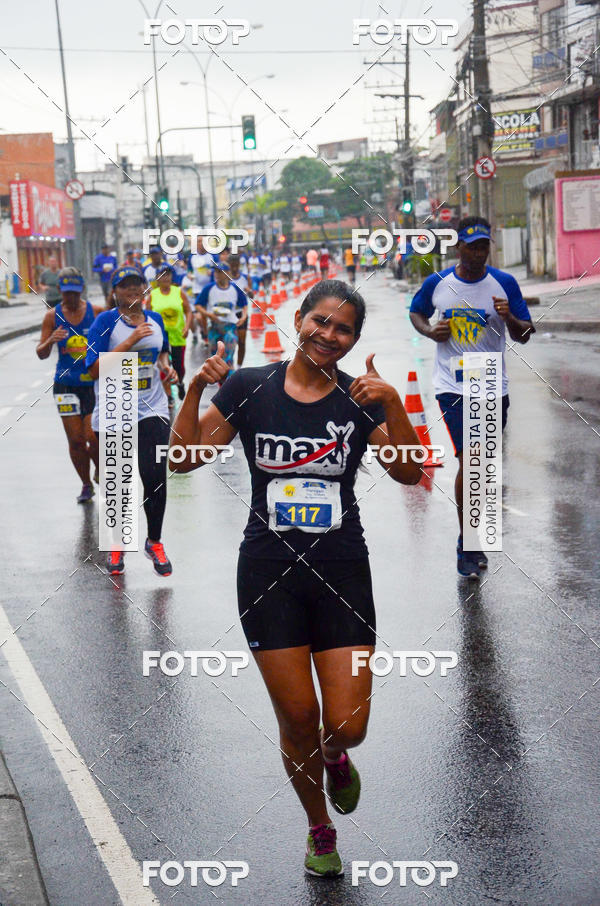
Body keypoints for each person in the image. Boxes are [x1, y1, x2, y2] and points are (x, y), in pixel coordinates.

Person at [170, 279, 421, 878]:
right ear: (299, 319)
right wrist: (195, 388)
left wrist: (394, 403)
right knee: (298, 719)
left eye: (343, 330)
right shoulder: (248, 387)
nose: (328, 335)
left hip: (342, 572)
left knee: (348, 726)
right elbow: (182, 459)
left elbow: (411, 474)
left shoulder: (360, 398)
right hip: (268, 574)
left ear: (354, 340)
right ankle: (319, 828)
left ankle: (335, 756)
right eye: (320, 321)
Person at [409, 216, 535, 579]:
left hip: (491, 384)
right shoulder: (437, 283)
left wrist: (509, 318)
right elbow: (416, 312)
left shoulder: (504, 283)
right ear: (459, 247)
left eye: (483, 247)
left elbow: (525, 333)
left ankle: (474, 539)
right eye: (472, 246)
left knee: (483, 465)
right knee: (473, 459)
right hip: (452, 385)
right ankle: (467, 543)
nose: (478, 253)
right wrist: (430, 331)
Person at [86, 266, 178, 577]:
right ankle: (117, 545)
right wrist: (130, 341)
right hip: (115, 407)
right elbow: (94, 369)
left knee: (155, 476)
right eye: (125, 286)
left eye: (137, 285)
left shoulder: (156, 320)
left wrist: (167, 369)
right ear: (114, 292)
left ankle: (155, 541)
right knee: (117, 482)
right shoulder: (104, 322)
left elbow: (161, 355)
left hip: (152, 406)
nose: (132, 290)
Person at [36, 268, 104, 502]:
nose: (71, 298)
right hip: (65, 385)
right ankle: (86, 484)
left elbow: (112, 345)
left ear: (82, 289)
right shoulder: (52, 317)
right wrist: (50, 340)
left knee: (93, 437)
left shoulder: (96, 313)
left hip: (92, 384)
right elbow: (41, 353)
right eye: (67, 293)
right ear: (59, 291)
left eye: (75, 293)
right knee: (76, 441)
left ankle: (100, 468)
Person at [148, 264, 192, 401]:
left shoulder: (179, 292)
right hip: (160, 337)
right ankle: (168, 395)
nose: (165, 278)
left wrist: (187, 327)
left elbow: (188, 311)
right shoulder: (152, 295)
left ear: (172, 277)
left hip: (178, 335)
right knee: (164, 366)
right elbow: (146, 316)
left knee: (179, 366)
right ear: (157, 278)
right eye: (162, 275)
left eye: (168, 274)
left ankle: (180, 383)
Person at [194, 264, 247, 371]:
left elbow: (244, 304)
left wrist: (243, 317)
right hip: (214, 326)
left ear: (227, 273)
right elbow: (198, 305)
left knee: (228, 357)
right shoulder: (209, 288)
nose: (217, 275)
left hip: (230, 327)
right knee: (215, 357)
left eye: (220, 272)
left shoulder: (235, 288)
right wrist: (208, 315)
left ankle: (230, 376)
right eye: (216, 272)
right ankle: (220, 378)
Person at [189, 237, 218, 342]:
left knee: (212, 312)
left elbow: (219, 269)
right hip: (197, 289)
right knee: (202, 314)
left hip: (210, 288)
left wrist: (213, 272)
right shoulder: (192, 257)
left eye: (202, 241)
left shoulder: (212, 256)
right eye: (198, 241)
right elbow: (189, 270)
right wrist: (189, 275)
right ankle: (205, 334)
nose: (201, 243)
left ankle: (211, 331)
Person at [229, 254, 251, 368]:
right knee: (229, 341)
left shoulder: (245, 278)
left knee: (241, 342)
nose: (234, 268)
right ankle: (229, 365)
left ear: (239, 265)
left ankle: (238, 367)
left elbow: (251, 294)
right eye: (232, 266)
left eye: (236, 266)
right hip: (228, 315)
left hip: (241, 312)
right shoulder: (225, 277)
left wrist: (249, 292)